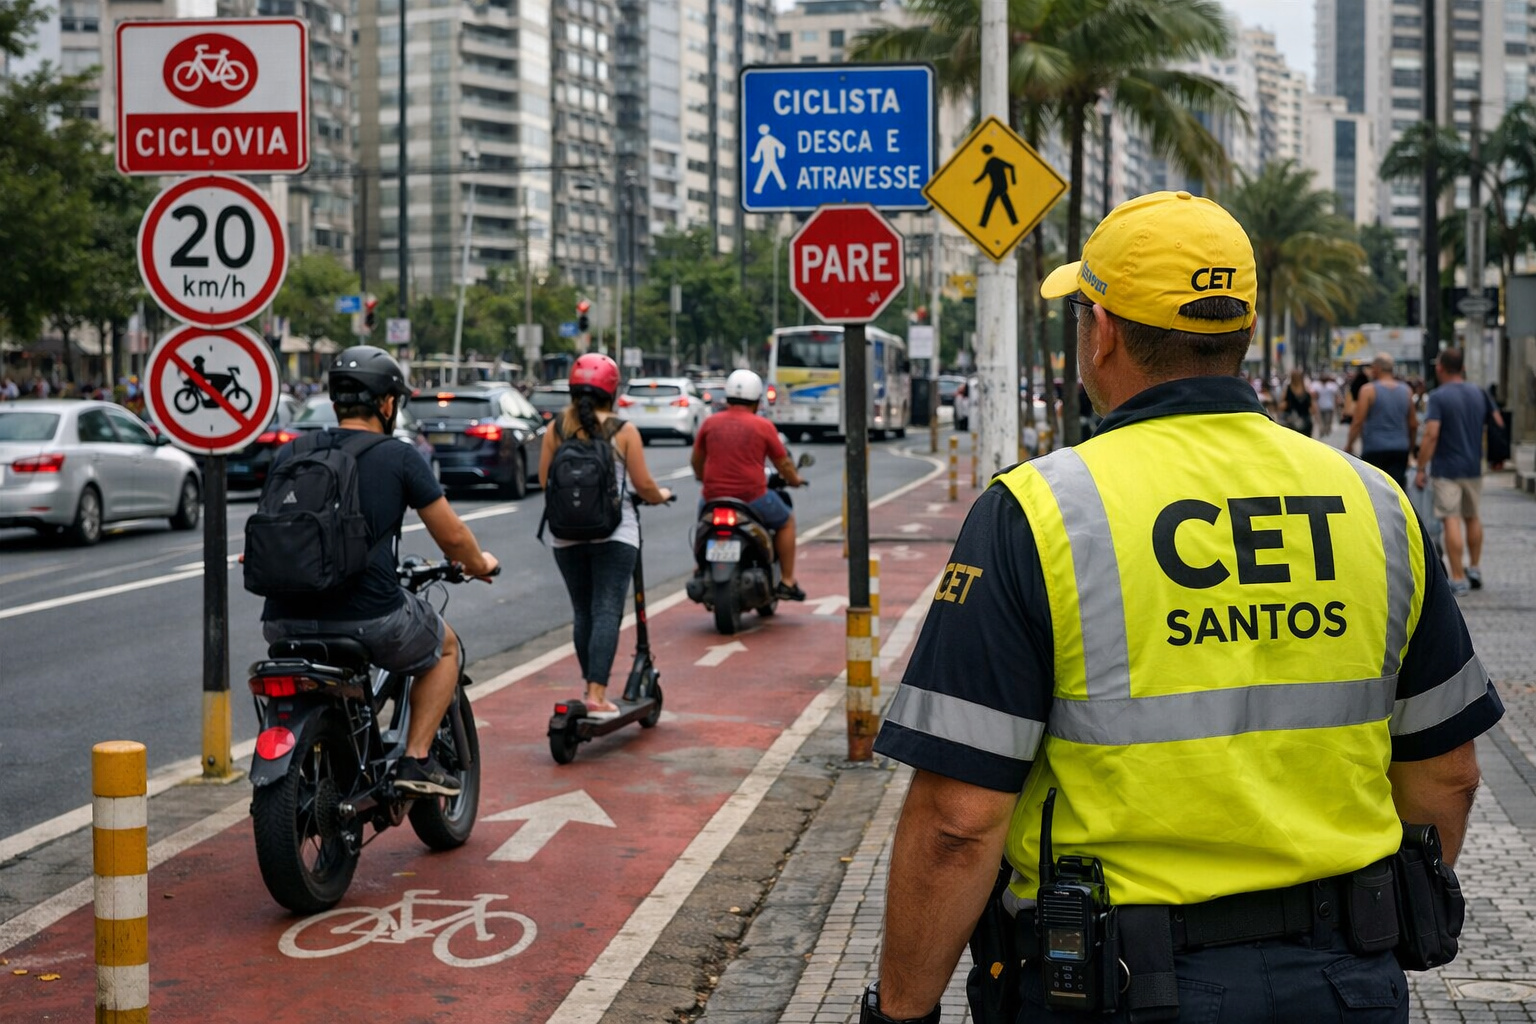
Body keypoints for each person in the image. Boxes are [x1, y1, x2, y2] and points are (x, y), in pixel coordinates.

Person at [865, 191, 1502, 1024]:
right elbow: (1447, 774)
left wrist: (899, 1013)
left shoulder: (1039, 512)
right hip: (1345, 982)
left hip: (1116, 989)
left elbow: (958, 821)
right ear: (1239, 332)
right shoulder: (1375, 505)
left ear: (1104, 331)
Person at [262, 346, 499, 797]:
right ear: (388, 404)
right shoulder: (399, 456)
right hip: (369, 617)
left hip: (282, 619)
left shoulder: (290, 454)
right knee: (445, 648)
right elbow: (452, 538)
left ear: (336, 402)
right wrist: (479, 562)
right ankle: (416, 760)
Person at [539, 353, 672, 717]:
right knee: (607, 610)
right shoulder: (623, 430)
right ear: (611, 390)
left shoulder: (556, 429)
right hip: (615, 533)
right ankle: (597, 696)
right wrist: (660, 496)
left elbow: (543, 481)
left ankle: (589, 686)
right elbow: (643, 486)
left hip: (565, 535)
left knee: (583, 612)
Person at [691, 369, 806, 601]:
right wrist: (795, 480)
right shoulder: (763, 426)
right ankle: (787, 580)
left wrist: (704, 478)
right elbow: (783, 463)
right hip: (753, 497)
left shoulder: (710, 423)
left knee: (702, 523)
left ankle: (700, 567)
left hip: (713, 497)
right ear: (756, 400)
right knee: (786, 522)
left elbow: (696, 460)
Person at [1415, 347, 1506, 597]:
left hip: (1447, 468)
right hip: (1474, 466)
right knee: (1473, 516)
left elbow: (1432, 433)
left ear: (1441, 368)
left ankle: (1457, 577)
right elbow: (1498, 423)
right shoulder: (1479, 392)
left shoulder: (1439, 397)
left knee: (1451, 519)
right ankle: (1474, 568)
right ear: (1462, 367)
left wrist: (1421, 467)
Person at [1345, 353, 1417, 489]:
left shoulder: (1368, 390)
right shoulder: (1406, 391)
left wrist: (1349, 445)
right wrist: (1411, 449)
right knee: (1396, 490)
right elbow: (1413, 424)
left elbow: (1358, 422)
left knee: (1376, 492)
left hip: (1374, 449)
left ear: (1377, 368)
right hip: (1400, 449)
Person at [1280, 368, 1313, 435]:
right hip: (1305, 421)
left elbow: (1282, 405)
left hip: (1290, 421)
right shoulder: (1306, 390)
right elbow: (1312, 408)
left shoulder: (1288, 389)